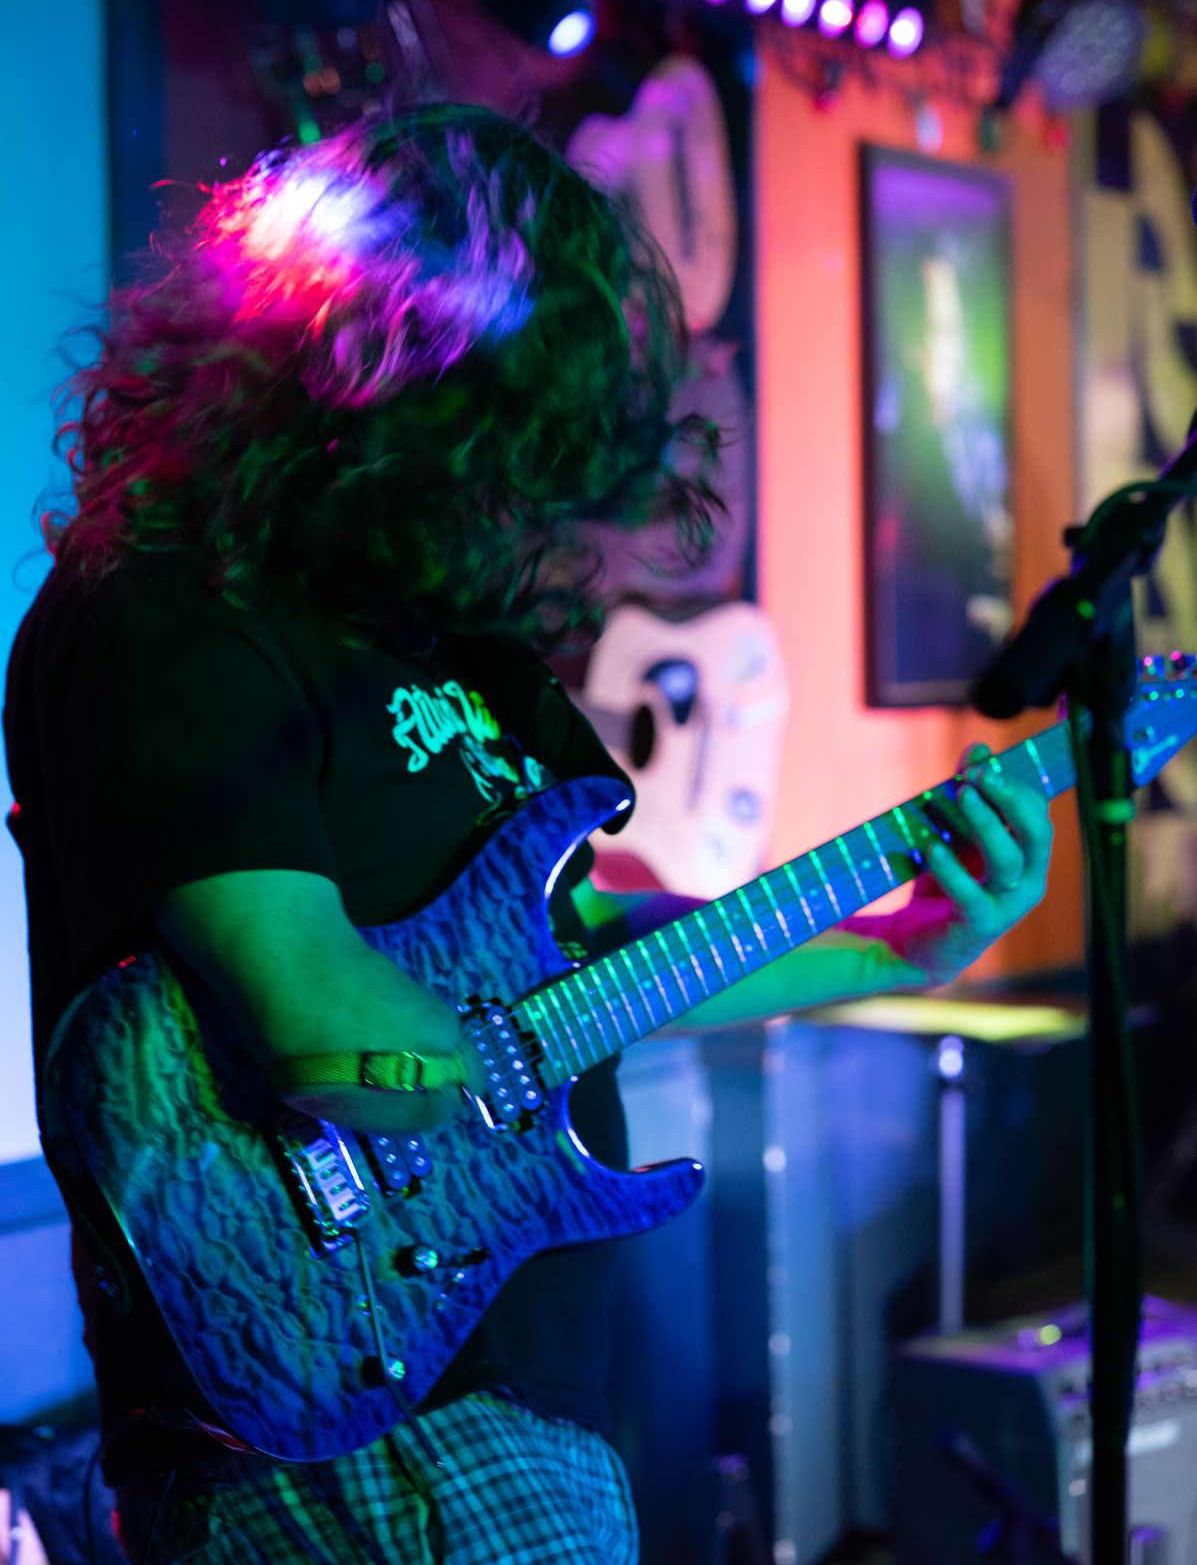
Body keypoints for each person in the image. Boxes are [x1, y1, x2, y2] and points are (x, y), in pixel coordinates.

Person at [4, 106, 1052, 1565]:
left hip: (513, 1391)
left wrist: (899, 948)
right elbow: (323, 1035)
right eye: (505, 445)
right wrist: (500, 1041)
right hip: (343, 1413)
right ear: (395, 382)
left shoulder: (460, 648)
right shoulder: (171, 616)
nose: (527, 508)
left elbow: (581, 959)